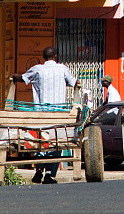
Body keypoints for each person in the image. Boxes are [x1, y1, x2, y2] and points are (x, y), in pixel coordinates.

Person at [12, 46, 79, 185]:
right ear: (55, 56)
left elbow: (23, 78)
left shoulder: (37, 69)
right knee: (56, 143)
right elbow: (74, 83)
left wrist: (14, 77)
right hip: (58, 114)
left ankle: (38, 170)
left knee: (40, 141)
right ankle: (49, 174)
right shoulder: (62, 69)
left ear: (44, 57)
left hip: (40, 115)